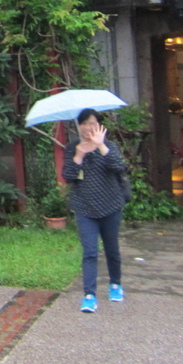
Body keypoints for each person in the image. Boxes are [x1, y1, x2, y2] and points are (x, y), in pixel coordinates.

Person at [62, 108, 127, 313]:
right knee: (90, 252)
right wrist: (79, 155)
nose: (88, 127)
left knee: (112, 249)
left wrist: (100, 146)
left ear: (99, 125)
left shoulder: (109, 145)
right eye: (84, 123)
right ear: (78, 126)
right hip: (84, 208)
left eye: (92, 123)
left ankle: (115, 284)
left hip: (110, 205)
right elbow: (68, 176)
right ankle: (89, 295)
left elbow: (119, 167)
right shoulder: (72, 148)